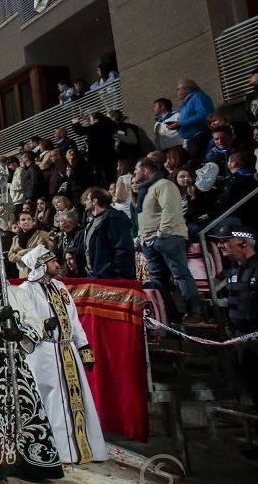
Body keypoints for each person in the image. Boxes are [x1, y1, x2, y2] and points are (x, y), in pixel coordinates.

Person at [0, 248, 63, 484]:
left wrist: (19, 332)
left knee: (24, 410)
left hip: (17, 359)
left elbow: (34, 321)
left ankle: (28, 463)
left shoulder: (17, 293)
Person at [19, 247, 108, 465]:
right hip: (44, 352)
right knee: (52, 402)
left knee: (76, 400)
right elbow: (23, 319)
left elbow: (74, 319)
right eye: (51, 261)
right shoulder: (26, 290)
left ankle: (84, 448)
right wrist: (41, 327)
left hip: (67, 351)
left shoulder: (60, 287)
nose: (56, 264)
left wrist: (84, 347)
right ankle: (58, 450)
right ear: (40, 265)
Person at [134, 157, 207, 327]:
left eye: (136, 169)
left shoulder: (164, 185)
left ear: (145, 170)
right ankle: (172, 314)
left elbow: (171, 211)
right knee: (158, 280)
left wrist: (161, 235)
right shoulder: (146, 190)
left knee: (180, 274)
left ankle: (195, 312)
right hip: (150, 242)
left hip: (167, 238)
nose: (135, 174)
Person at [211, 225, 258, 457]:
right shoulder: (233, 271)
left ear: (244, 243)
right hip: (242, 339)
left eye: (225, 241)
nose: (220, 246)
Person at [82, 188, 135, 279]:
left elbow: (123, 248)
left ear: (95, 201)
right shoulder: (92, 222)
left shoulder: (113, 218)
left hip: (109, 277)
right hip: (94, 275)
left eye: (87, 199)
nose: (85, 202)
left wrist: (116, 274)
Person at [167, 79, 214, 166]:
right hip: (193, 139)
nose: (177, 92)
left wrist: (181, 123)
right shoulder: (189, 101)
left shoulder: (198, 97)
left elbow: (204, 115)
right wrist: (179, 124)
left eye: (178, 89)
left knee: (198, 163)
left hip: (200, 137)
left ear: (188, 89)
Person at [8, 210, 54, 277]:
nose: (26, 221)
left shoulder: (42, 235)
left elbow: (41, 252)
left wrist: (19, 253)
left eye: (29, 219)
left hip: (39, 273)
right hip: (23, 274)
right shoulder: (15, 238)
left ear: (33, 222)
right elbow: (10, 256)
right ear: (18, 223)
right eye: (23, 220)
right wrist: (23, 258)